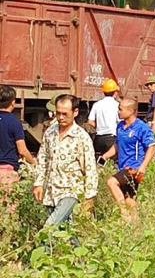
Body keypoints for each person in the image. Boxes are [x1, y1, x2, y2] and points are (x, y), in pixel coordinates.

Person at [33, 95, 98, 242]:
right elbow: (43, 157)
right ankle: (80, 260)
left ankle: (37, 262)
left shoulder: (81, 137)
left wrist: (89, 197)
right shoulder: (50, 132)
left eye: (65, 114)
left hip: (71, 190)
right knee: (66, 229)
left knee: (49, 227)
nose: (61, 117)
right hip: (52, 190)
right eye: (58, 113)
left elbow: (90, 168)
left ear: (75, 112)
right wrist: (38, 183)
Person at [101, 98, 155, 221]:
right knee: (129, 200)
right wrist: (104, 157)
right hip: (122, 167)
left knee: (111, 182)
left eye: (120, 109)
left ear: (131, 111)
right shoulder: (120, 126)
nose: (118, 112)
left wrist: (143, 166)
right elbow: (117, 145)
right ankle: (136, 228)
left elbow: (151, 147)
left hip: (133, 168)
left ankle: (123, 213)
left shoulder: (141, 128)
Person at [0, 86, 35, 188]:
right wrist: (34, 162)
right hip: (7, 172)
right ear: (13, 102)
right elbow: (22, 151)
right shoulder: (15, 123)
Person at [86, 78, 120, 155]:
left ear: (103, 92)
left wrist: (99, 127)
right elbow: (120, 122)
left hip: (98, 139)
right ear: (115, 92)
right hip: (111, 139)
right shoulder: (117, 105)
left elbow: (90, 121)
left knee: (99, 161)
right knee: (113, 163)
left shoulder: (96, 105)